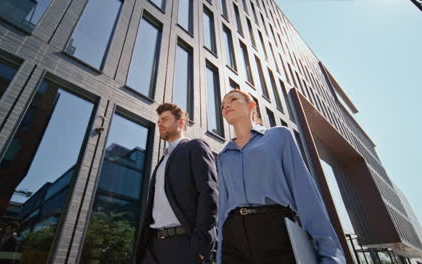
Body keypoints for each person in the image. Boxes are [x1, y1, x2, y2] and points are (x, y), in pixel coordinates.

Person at [216, 89, 345, 264]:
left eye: (232, 99)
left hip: (275, 230)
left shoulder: (279, 136)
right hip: (233, 237)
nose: (226, 106)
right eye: (223, 105)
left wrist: (331, 255)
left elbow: (305, 194)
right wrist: (220, 256)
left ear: (251, 105)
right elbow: (223, 208)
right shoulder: (224, 155)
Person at [135, 103, 218, 264]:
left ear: (181, 122)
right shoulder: (162, 160)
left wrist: (200, 243)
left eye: (165, 119)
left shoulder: (195, 147)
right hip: (153, 246)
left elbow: (209, 194)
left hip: (183, 245)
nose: (159, 123)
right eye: (158, 120)